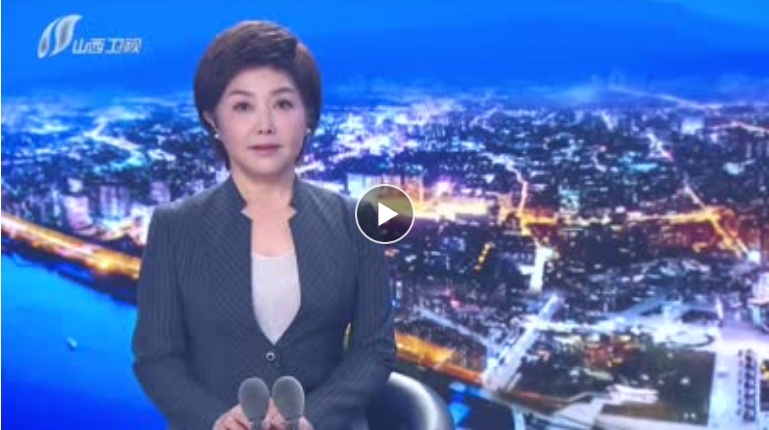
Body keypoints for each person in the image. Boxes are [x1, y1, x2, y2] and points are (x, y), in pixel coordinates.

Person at [132, 20, 396, 430]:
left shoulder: (356, 223)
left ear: (309, 116)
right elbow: (156, 358)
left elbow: (374, 350)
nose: (265, 125)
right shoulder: (175, 227)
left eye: (283, 104)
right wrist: (214, 419)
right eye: (243, 106)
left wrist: (313, 415)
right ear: (213, 120)